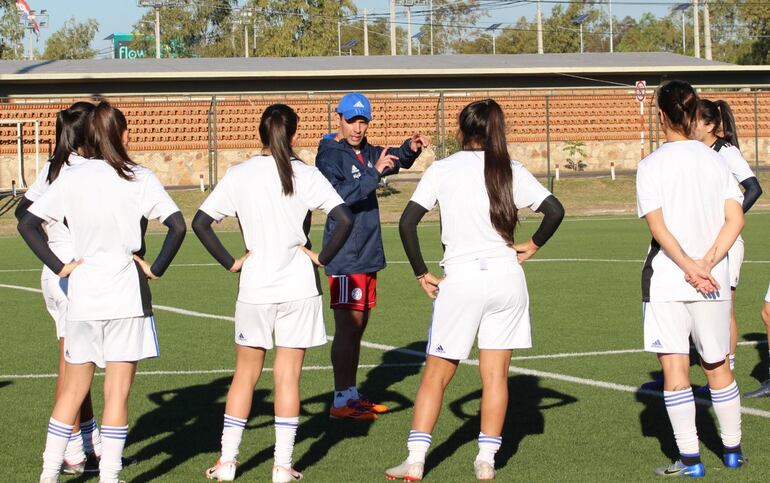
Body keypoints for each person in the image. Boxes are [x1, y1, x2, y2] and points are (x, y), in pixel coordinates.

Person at [385, 99, 564, 481]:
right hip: (505, 276)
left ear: (461, 130)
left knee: (436, 374)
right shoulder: (510, 169)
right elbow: (555, 210)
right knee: (495, 377)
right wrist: (531, 246)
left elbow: (406, 224)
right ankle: (486, 461)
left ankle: (415, 460)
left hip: (462, 278)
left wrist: (421, 273)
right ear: (497, 130)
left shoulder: (443, 168)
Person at [18, 101, 186, 483]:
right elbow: (177, 226)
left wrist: (61, 266)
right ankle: (109, 476)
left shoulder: (70, 176)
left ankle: (47, 475)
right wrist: (155, 268)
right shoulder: (139, 176)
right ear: (119, 134)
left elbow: (27, 222)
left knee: (71, 390)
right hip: (126, 293)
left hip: (84, 292)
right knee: (117, 393)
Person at [192, 104, 354, 482]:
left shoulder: (239, 174)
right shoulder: (306, 173)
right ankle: (282, 466)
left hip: (256, 285)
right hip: (298, 285)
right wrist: (321, 258)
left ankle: (227, 462)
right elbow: (344, 217)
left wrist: (232, 262)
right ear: (294, 135)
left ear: (260, 135)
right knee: (287, 378)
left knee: (244, 375)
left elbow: (201, 223)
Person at [636, 81, 745, 477]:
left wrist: (687, 265)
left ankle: (691, 460)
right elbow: (736, 219)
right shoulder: (716, 159)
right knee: (718, 365)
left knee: (676, 371)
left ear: (662, 115)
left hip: (668, 279)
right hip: (712, 280)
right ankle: (732, 451)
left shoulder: (651, 164)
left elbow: (658, 227)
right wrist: (708, 263)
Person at [315, 92, 430, 420]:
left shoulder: (365, 150)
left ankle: (351, 394)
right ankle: (340, 399)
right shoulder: (328, 156)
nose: (358, 127)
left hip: (367, 252)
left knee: (360, 325)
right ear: (339, 119)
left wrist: (409, 148)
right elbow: (336, 197)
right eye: (352, 120)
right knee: (346, 326)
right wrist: (374, 174)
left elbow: (390, 157)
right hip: (342, 256)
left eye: (363, 121)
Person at [14, 102, 104, 476]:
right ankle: (68, 449)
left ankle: (87, 443)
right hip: (73, 274)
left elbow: (23, 213)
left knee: (76, 362)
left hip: (56, 276)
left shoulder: (54, 167)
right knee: (71, 367)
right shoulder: (87, 171)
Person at [694, 99, 763, 377]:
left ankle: (727, 374)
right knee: (706, 308)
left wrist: (728, 223)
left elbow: (754, 188)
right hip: (706, 241)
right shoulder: (698, 151)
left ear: (710, 125)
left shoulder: (726, 151)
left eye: (695, 119)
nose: (689, 124)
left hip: (727, 243)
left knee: (725, 308)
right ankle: (714, 371)